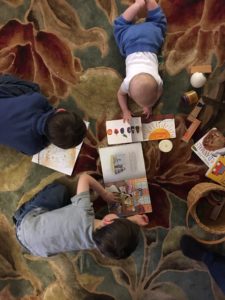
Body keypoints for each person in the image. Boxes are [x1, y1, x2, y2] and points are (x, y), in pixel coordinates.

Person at [13, 173, 149, 259]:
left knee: (59, 190)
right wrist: (133, 220)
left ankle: (20, 213)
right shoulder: (98, 244)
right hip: (37, 249)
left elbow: (84, 177)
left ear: (107, 220)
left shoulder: (83, 211)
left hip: (25, 225)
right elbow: (111, 239)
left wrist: (105, 194)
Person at [0, 74, 87, 155]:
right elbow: (27, 150)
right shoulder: (33, 148)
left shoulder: (37, 100)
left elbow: (38, 100)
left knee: (33, 88)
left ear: (61, 110)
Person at [113, 0, 167, 122]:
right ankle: (137, 5)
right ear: (130, 94)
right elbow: (120, 94)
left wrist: (147, 105)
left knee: (158, 22)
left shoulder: (158, 81)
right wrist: (126, 110)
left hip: (151, 38)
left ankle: (145, 3)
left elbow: (158, 92)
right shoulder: (127, 83)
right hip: (129, 41)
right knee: (119, 26)